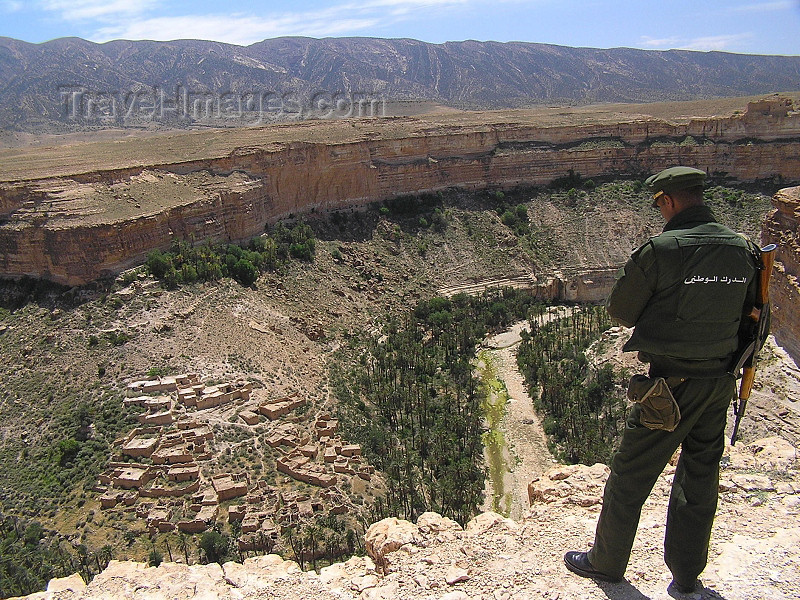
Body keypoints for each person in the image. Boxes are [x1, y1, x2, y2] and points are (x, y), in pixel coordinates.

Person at [563, 166, 760, 596]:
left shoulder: (662, 249)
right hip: (720, 383)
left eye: (659, 204)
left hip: (669, 389)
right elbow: (753, 316)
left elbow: (621, 310)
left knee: (630, 473)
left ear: (667, 200)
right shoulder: (744, 249)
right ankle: (687, 576)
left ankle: (606, 562)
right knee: (700, 476)